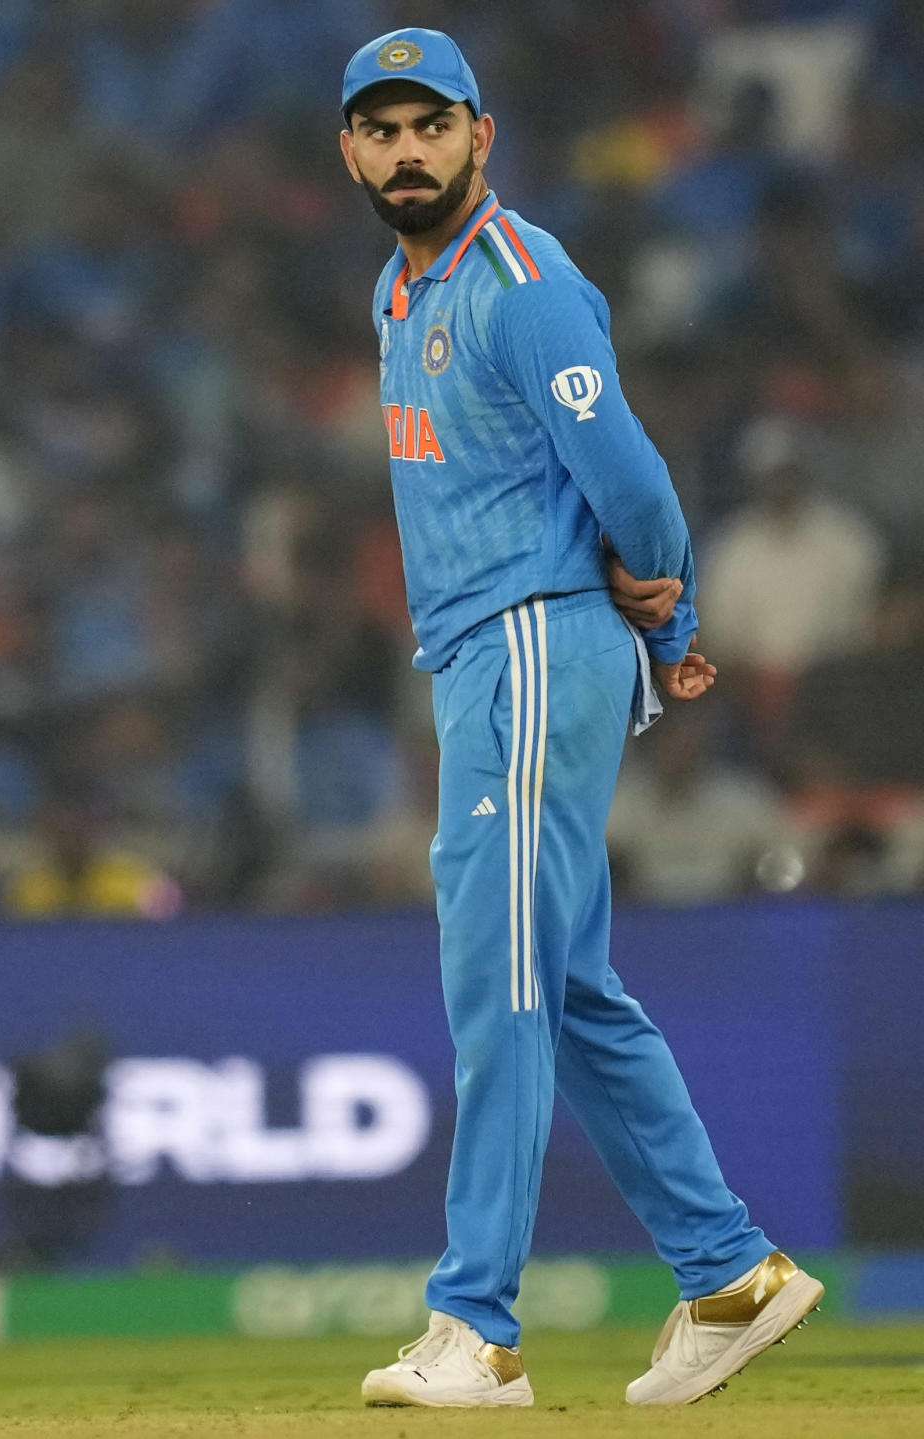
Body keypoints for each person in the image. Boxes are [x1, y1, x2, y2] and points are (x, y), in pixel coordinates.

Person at [339, 27, 822, 1410]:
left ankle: (476, 1328)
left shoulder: (519, 282)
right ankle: (728, 1273)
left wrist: (671, 631)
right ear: (351, 151)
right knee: (565, 988)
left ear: (482, 136)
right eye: (382, 130)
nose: (407, 150)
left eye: (431, 125)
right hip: (485, 659)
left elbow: (636, 479)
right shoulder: (397, 287)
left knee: (492, 981)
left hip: (536, 641)